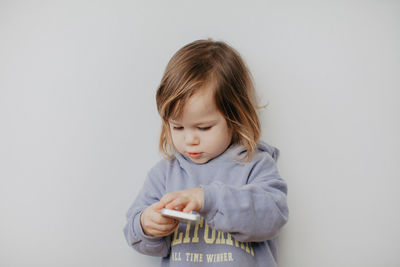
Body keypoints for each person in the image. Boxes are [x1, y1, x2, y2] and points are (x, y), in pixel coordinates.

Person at [123, 39, 288, 267]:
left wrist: (207, 198)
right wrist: (146, 225)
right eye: (177, 127)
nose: (190, 139)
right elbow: (134, 233)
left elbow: (273, 215)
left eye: (204, 127)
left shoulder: (254, 164)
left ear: (234, 118)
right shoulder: (164, 175)